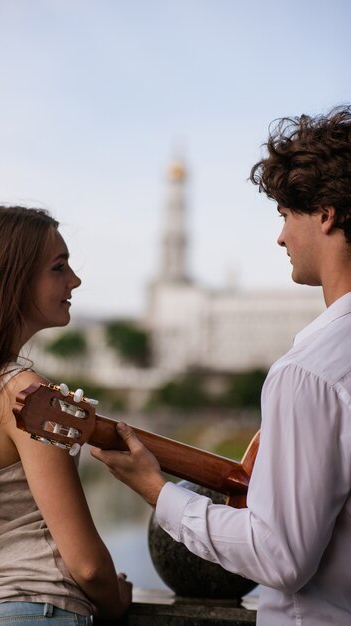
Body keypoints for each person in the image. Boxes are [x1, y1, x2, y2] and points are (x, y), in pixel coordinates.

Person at [91, 105, 351, 625]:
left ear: (325, 213)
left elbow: (281, 556)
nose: (280, 238)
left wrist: (155, 490)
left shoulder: (310, 371)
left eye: (284, 215)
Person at [0, 206, 132, 625]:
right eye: (59, 268)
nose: (74, 280)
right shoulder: (28, 397)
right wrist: (116, 603)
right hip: (33, 609)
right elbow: (89, 565)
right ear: (12, 281)